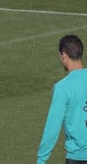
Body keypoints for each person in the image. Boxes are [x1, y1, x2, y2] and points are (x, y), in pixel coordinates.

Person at [37, 34, 87, 164]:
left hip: (78, 158)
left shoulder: (62, 88)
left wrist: (41, 160)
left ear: (64, 56)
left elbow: (52, 128)